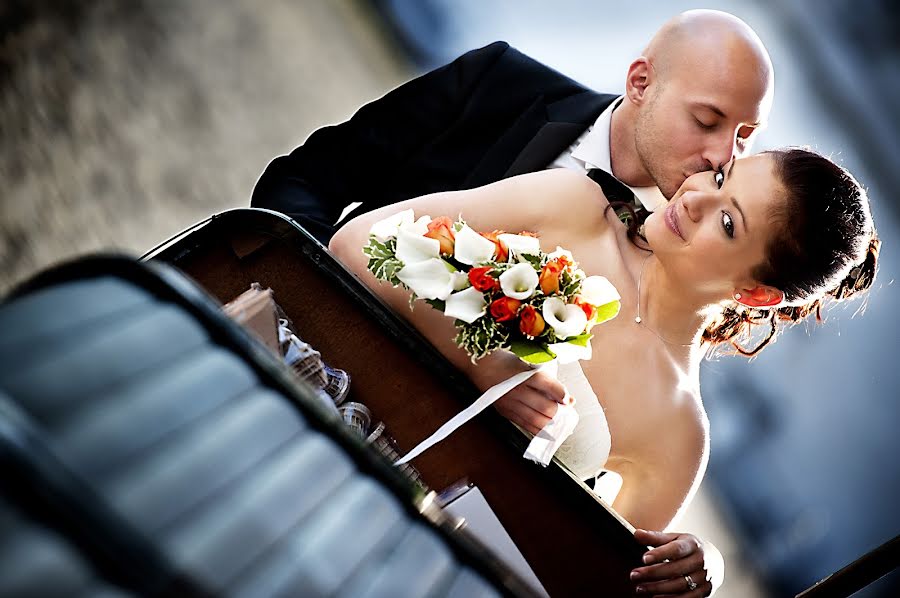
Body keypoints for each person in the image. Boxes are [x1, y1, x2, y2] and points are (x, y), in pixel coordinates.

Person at [329, 148, 879, 597]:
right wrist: (489, 365)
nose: (695, 199)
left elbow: (585, 584)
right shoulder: (574, 206)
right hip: (329, 416)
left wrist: (696, 566)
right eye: (719, 175)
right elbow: (354, 244)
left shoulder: (678, 433)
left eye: (728, 221)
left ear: (756, 294)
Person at [251, 9, 773, 246]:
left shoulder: (680, 250)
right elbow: (306, 181)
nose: (723, 154)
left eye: (743, 138)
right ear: (640, 82)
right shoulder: (499, 81)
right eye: (707, 120)